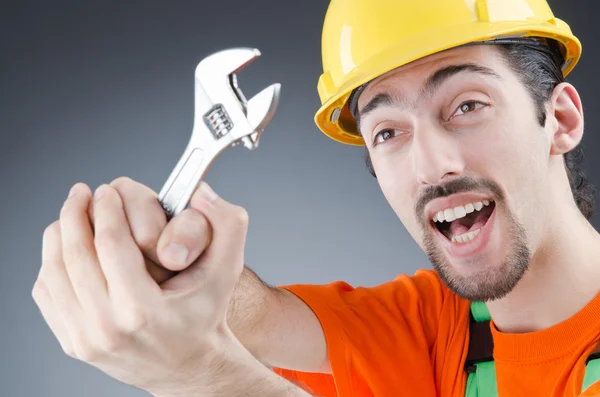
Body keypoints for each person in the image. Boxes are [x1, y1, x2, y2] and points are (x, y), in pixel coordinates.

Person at [31, 0, 600, 396]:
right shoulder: (434, 326)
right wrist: (162, 262)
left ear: (561, 119)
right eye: (387, 132)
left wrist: (200, 377)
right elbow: (257, 316)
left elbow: (217, 365)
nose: (431, 166)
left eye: (467, 105)